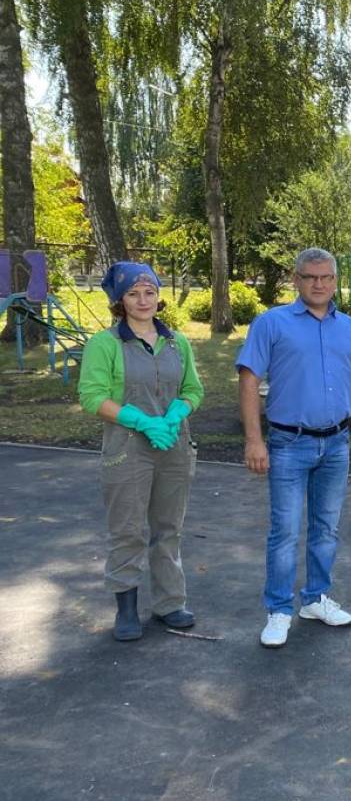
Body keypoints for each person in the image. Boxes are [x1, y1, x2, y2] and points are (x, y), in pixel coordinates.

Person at [236, 247, 351, 648]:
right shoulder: (271, 324)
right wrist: (254, 439)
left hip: (336, 443)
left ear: (335, 281)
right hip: (287, 442)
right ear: (296, 280)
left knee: (326, 528)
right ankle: (279, 609)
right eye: (310, 277)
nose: (318, 284)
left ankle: (316, 598)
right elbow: (249, 381)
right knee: (284, 532)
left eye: (326, 278)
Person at [78, 261, 204, 641]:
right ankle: (127, 608)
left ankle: (169, 603)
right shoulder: (106, 344)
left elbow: (193, 390)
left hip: (174, 446)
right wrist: (141, 420)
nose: (143, 299)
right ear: (119, 299)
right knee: (128, 530)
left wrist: (176, 413)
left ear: (159, 295)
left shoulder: (176, 341)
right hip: (127, 449)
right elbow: (91, 397)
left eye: (149, 291)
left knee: (169, 529)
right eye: (133, 293)